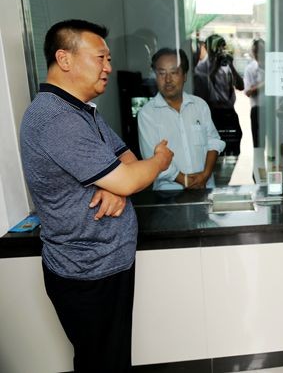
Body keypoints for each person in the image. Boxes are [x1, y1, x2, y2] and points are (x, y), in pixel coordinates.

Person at [19, 19, 173, 372]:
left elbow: (126, 160)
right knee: (101, 363)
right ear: (64, 59)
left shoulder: (81, 111)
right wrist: (159, 161)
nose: (108, 67)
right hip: (87, 273)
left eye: (109, 58)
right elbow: (130, 176)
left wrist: (117, 185)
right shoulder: (55, 119)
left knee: (110, 359)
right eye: (100, 57)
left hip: (105, 265)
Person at [138, 48, 225, 190]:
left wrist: (205, 174)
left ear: (184, 75)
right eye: (161, 73)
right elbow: (151, 160)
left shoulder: (200, 105)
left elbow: (213, 142)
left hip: (205, 187)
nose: (168, 80)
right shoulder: (147, 114)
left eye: (174, 72)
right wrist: (184, 180)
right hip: (169, 192)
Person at [193, 34, 244, 156]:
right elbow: (204, 90)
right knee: (214, 150)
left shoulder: (226, 65)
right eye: (217, 47)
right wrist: (215, 67)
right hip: (213, 113)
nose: (220, 51)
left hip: (229, 111)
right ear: (207, 48)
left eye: (222, 47)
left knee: (234, 146)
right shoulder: (202, 67)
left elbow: (241, 86)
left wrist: (232, 66)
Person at [243, 38, 265, 148]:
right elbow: (248, 92)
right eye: (255, 51)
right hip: (257, 110)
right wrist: (265, 84)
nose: (257, 54)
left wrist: (255, 87)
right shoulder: (250, 69)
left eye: (260, 51)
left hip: (271, 111)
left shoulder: (274, 67)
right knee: (257, 145)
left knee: (274, 144)